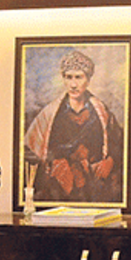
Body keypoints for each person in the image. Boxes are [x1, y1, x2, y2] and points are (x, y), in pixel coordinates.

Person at [24, 49, 124, 204]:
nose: (73, 84)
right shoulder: (50, 114)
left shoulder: (102, 112)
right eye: (68, 77)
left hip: (95, 186)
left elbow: (119, 143)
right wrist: (52, 164)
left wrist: (110, 161)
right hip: (58, 188)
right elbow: (30, 150)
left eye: (78, 77)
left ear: (88, 80)